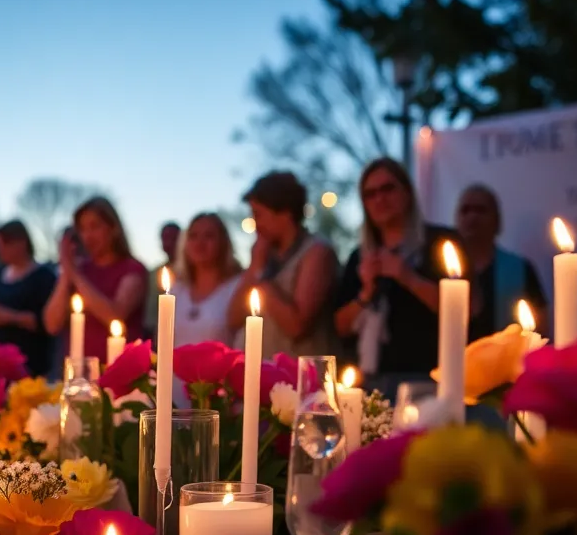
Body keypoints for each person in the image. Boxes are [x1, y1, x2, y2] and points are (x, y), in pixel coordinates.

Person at [335, 158, 466, 388]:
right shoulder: (361, 256)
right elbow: (341, 326)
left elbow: (464, 309)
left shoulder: (441, 243)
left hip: (431, 378)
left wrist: (407, 277)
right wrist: (366, 292)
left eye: (388, 188)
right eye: (370, 194)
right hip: (370, 380)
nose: (380, 199)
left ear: (407, 193)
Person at [227, 171, 338, 358]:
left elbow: (296, 326)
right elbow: (233, 318)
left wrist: (261, 277)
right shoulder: (264, 256)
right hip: (260, 371)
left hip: (298, 372)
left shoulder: (317, 252)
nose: (255, 224)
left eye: (258, 215)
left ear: (285, 214)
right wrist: (255, 267)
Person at [43, 197, 148, 364]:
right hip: (80, 370)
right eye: (82, 229)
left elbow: (115, 315)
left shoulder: (132, 269)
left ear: (113, 228)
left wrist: (74, 274)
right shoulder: (79, 269)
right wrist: (66, 275)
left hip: (121, 367)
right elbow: (52, 324)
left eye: (94, 227)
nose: (88, 236)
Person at [454, 184, 548, 341]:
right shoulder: (442, 270)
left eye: (481, 210)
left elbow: (541, 327)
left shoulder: (519, 269)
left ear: (497, 220)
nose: (472, 217)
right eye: (465, 210)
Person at [0, 221, 57, 376]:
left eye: (3, 244)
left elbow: (45, 322)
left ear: (20, 243)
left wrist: (11, 317)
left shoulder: (43, 277)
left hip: (30, 362)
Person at [171, 212, 243, 347]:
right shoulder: (177, 289)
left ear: (223, 242)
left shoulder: (237, 287)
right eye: (193, 236)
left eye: (209, 236)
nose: (200, 243)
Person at [144, 221, 181, 337]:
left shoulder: (188, 274)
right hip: (151, 331)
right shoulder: (154, 272)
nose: (168, 243)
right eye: (165, 238)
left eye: (173, 238)